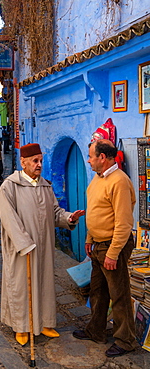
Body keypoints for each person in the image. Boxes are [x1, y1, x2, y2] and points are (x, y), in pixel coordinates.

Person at [0, 143, 85, 346]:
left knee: (44, 284)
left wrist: (69, 218)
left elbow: (55, 213)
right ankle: (21, 326)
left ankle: (44, 322)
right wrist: (23, 243)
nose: (39, 165)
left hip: (44, 246)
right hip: (22, 249)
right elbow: (9, 219)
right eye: (35, 161)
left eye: (40, 161)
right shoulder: (9, 187)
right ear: (23, 162)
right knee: (21, 286)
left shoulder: (45, 185)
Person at [73, 139, 136, 357]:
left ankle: (126, 340)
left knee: (118, 293)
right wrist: (90, 237)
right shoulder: (98, 179)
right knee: (98, 291)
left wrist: (113, 253)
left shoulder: (119, 181)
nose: (88, 160)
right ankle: (96, 331)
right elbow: (95, 210)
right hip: (98, 244)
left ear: (102, 158)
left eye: (91, 156)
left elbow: (124, 222)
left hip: (112, 245)